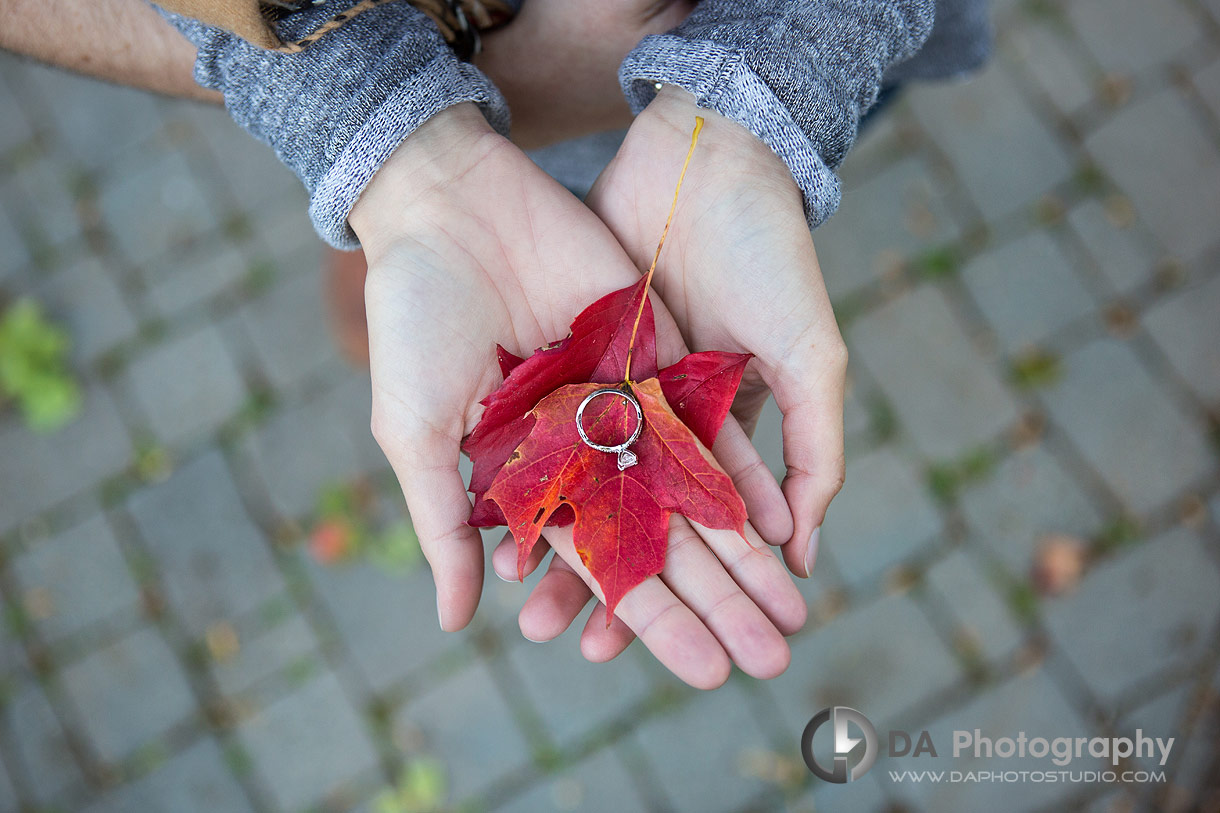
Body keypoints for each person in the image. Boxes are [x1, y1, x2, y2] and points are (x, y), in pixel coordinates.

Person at [0, 0, 990, 689]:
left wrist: (761, 93)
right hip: (422, 75)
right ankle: (406, 248)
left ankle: (418, 242)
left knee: (545, 202)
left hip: (744, 64)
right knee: (441, 244)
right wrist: (395, 153)